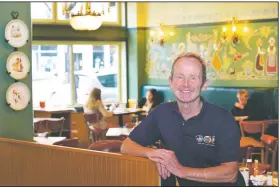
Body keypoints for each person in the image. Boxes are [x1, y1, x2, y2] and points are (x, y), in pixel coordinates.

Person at [121, 52, 244, 186]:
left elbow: (230, 173)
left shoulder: (223, 118)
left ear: (204, 84)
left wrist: (181, 171)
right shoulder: (162, 113)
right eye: (180, 77)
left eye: (193, 78)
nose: (186, 84)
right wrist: (155, 154)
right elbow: (126, 146)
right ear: (171, 82)